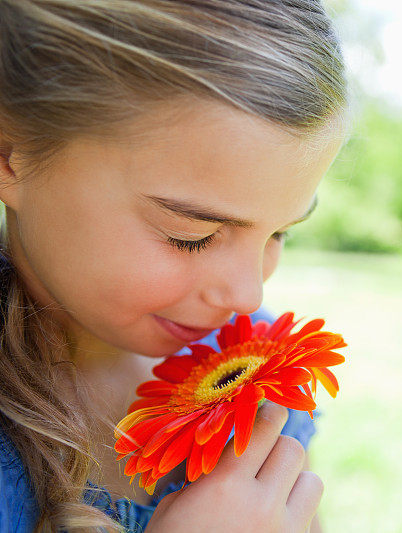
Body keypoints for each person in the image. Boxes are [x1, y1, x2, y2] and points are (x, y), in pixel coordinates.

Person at [0, 1, 351, 531]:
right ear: (9, 154)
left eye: (278, 233)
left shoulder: (256, 368)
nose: (248, 295)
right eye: (192, 236)